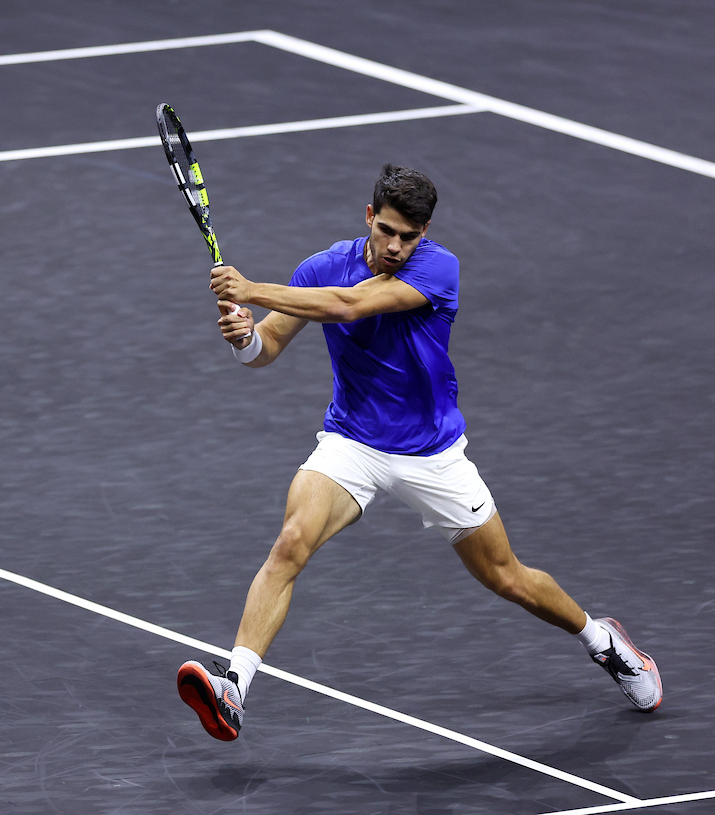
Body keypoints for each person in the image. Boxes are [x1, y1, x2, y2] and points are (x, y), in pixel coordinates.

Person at [176, 165, 661, 742]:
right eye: (386, 231)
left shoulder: (437, 268)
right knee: (290, 542)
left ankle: (600, 639)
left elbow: (349, 306)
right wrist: (244, 336)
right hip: (352, 443)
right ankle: (235, 686)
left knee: (507, 578)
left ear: (424, 233)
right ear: (368, 218)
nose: (396, 247)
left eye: (409, 236)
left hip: (432, 455)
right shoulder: (321, 267)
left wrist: (250, 289)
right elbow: (267, 348)